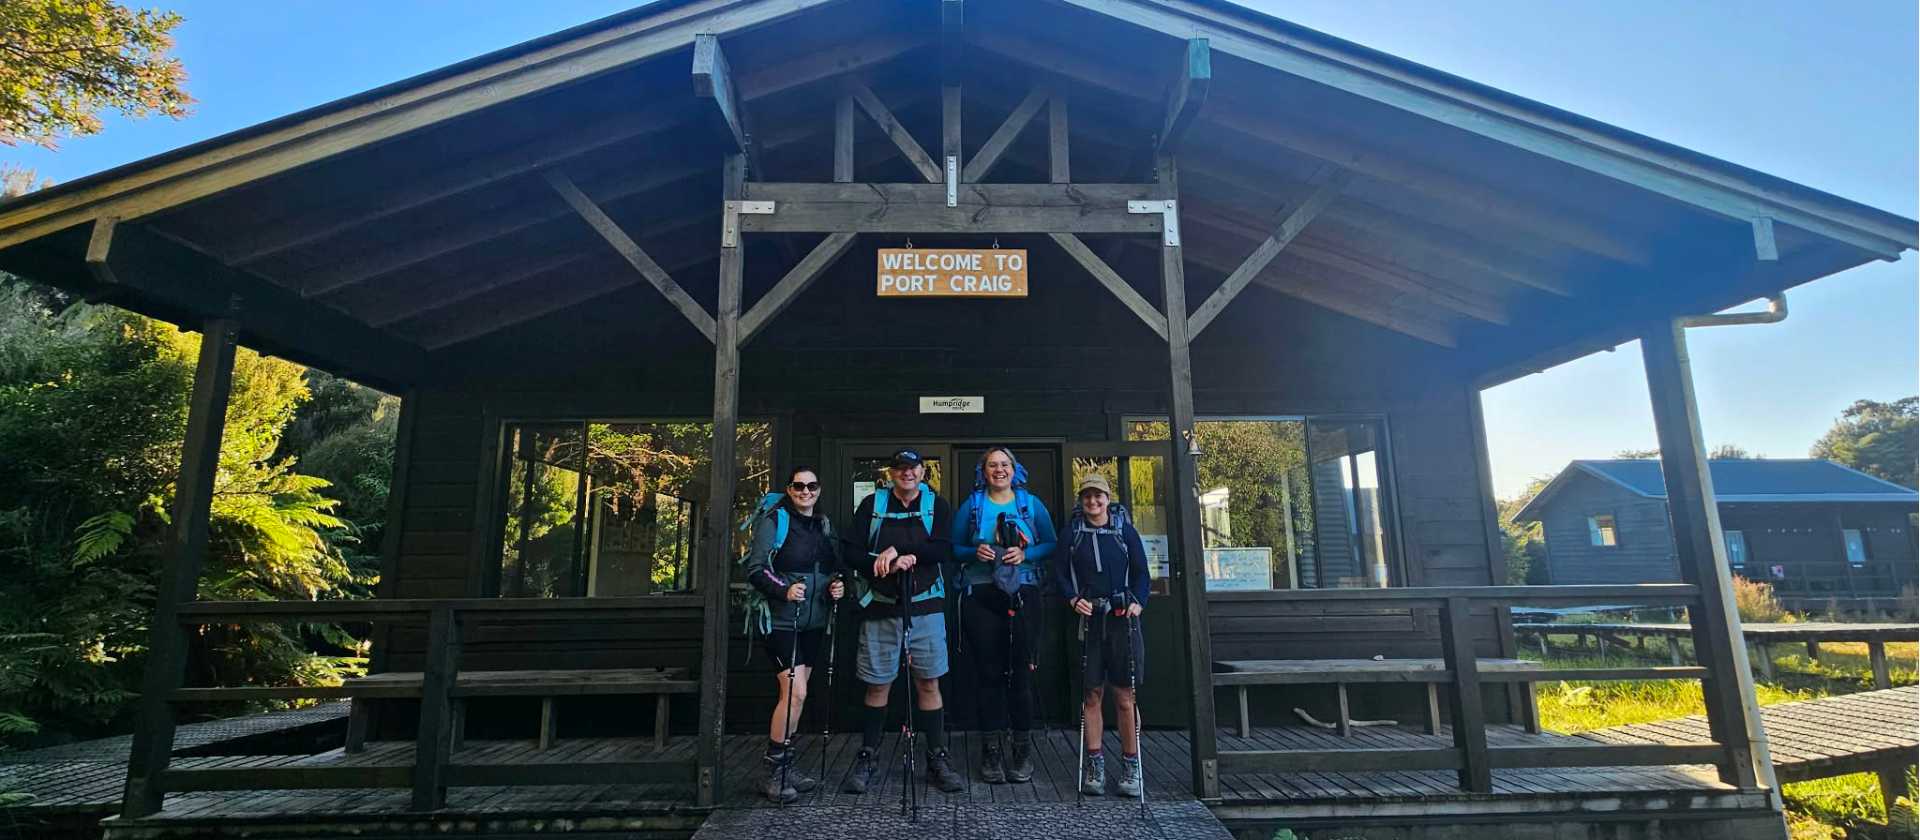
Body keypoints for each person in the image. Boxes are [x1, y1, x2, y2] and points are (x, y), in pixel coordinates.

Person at [840, 449, 965, 794]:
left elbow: (944, 549)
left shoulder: (937, 506)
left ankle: (937, 757)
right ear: (891, 473)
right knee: (877, 684)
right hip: (880, 607)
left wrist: (905, 554)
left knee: (929, 683)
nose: (907, 473)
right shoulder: (872, 505)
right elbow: (849, 551)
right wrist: (882, 561)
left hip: (926, 607)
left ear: (923, 472)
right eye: (900, 468)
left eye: (913, 468)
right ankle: (868, 756)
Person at [949, 447, 1057, 783]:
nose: (999, 470)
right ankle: (991, 752)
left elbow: (1051, 543)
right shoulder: (972, 506)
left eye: (1005, 464)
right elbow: (953, 548)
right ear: (983, 472)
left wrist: (1025, 553)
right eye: (992, 465)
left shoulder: (1031, 505)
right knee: (989, 674)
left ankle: (1022, 751)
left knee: (1021, 673)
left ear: (1014, 469)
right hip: (981, 595)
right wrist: (974, 552)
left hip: (1024, 594)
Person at [743, 466, 846, 803]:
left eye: (811, 486)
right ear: (789, 489)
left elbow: (833, 569)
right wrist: (784, 591)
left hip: (814, 621)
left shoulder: (823, 524)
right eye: (798, 486)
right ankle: (772, 772)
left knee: (796, 696)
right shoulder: (775, 521)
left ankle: (785, 766)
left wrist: (836, 586)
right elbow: (756, 568)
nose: (805, 491)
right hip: (780, 621)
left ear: (819, 489)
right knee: (796, 693)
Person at [1053, 473, 1150, 798]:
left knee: (1124, 696)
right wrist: (1072, 599)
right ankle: (1095, 765)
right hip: (1089, 621)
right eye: (1087, 496)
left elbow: (1142, 573)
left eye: (1099, 496)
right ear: (1081, 500)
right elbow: (1060, 573)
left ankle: (1131, 765)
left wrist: (1138, 602)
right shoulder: (1072, 533)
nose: (1093, 501)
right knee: (1091, 695)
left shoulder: (1124, 530)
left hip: (1122, 620)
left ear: (1108, 499)